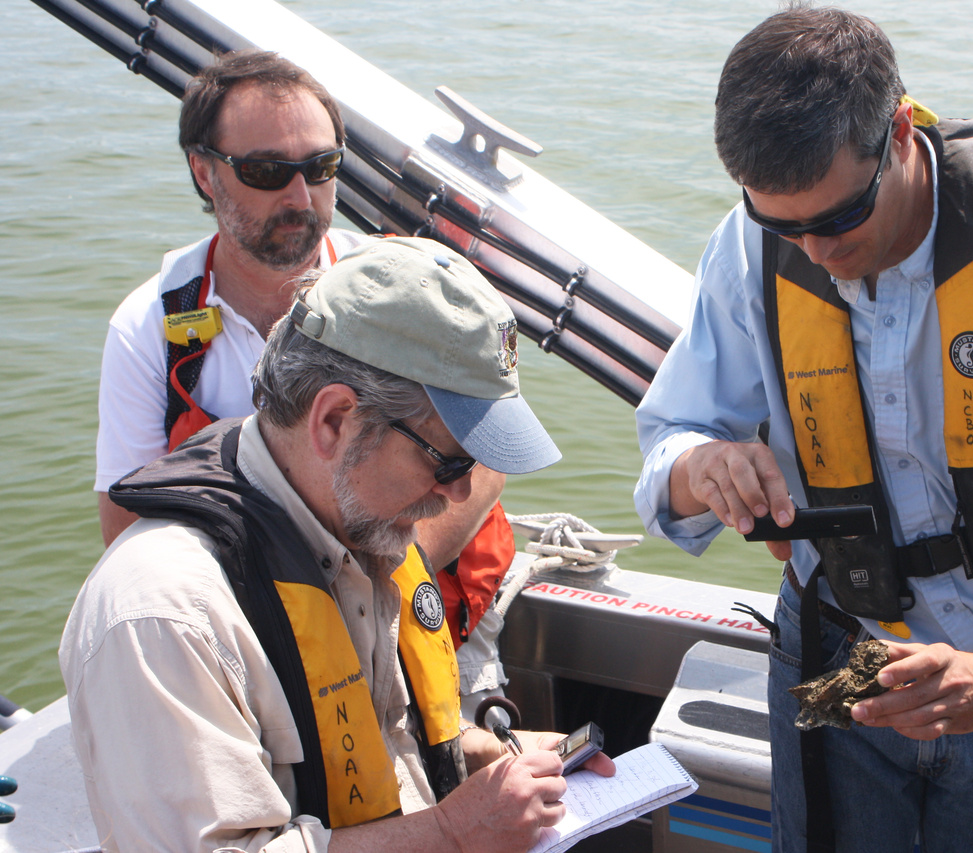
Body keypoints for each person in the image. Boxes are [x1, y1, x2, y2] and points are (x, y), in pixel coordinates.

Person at [634, 7, 973, 852]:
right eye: (780, 225)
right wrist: (701, 465)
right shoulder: (748, 248)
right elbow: (673, 433)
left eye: (836, 218)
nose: (812, 252)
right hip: (833, 646)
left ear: (900, 129)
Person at [61, 237, 614, 852]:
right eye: (449, 462)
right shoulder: (161, 619)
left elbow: (369, 742)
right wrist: (456, 832)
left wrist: (479, 752)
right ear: (332, 421)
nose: (460, 498)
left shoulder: (361, 528)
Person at [93, 49, 515, 714]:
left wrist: (381, 585)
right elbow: (128, 526)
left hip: (422, 608)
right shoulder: (151, 327)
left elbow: (492, 447)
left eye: (321, 168)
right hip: (260, 636)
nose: (300, 197)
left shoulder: (405, 286)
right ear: (205, 172)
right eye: (267, 171)